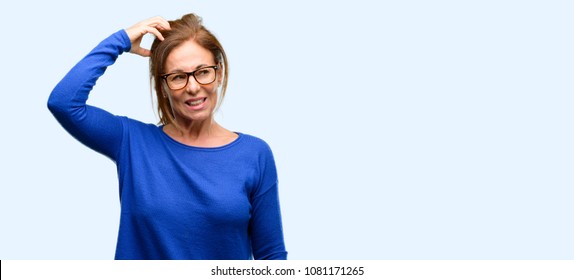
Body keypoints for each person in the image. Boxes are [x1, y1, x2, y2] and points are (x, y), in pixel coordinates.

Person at [47, 13, 287, 260]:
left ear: (220, 72)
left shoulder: (254, 154)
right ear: (162, 85)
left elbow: (271, 255)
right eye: (178, 77)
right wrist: (121, 40)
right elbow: (64, 102)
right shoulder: (131, 142)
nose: (193, 87)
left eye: (203, 72)